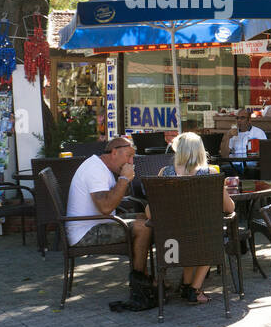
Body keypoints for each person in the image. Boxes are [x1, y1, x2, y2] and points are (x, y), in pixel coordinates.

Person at [65, 135, 157, 311]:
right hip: (85, 232)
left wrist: (124, 179)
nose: (131, 161)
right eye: (128, 156)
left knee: (148, 220)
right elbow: (106, 207)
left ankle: (146, 279)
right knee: (143, 228)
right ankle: (140, 287)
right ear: (114, 153)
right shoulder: (95, 170)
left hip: (97, 224)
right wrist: (123, 179)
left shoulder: (102, 167)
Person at [155, 132, 235, 304]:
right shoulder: (210, 173)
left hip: (171, 241)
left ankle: (186, 284)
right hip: (203, 240)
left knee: (188, 235)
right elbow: (229, 208)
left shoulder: (164, 173)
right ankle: (194, 289)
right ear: (200, 150)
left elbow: (151, 211)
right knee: (212, 235)